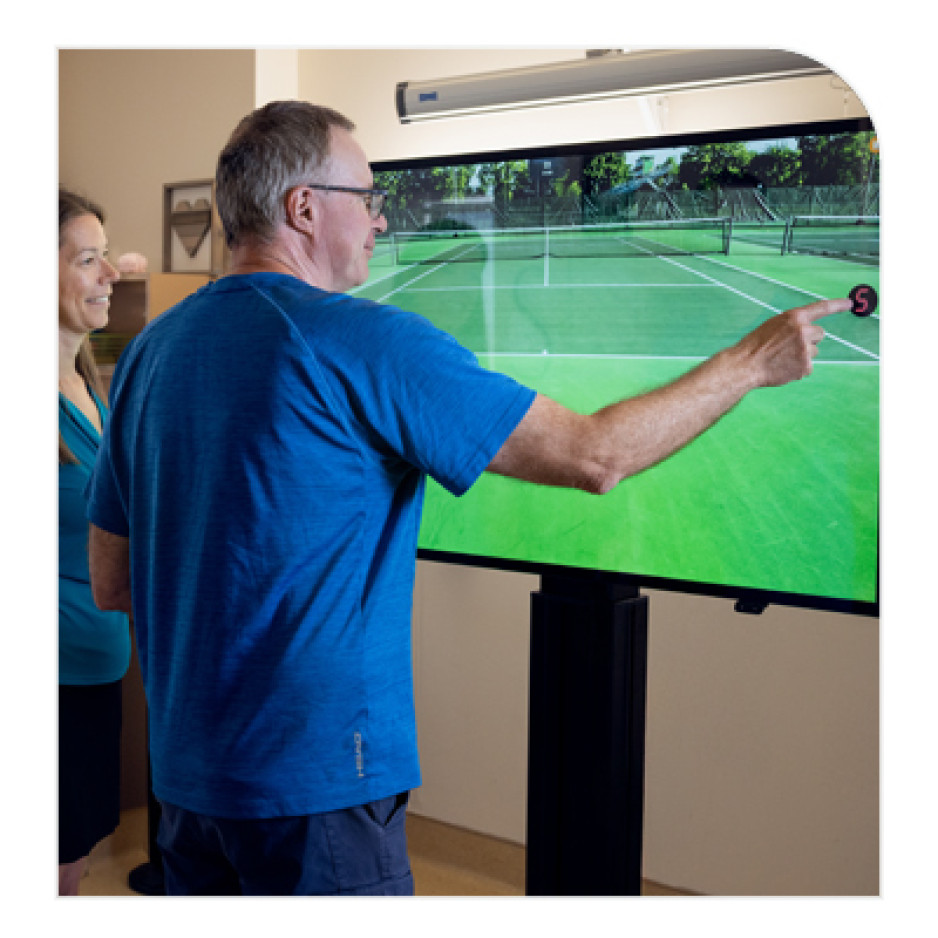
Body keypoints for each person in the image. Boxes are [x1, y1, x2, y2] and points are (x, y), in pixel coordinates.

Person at [86, 101, 850, 896]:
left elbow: (113, 579)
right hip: (318, 792)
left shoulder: (150, 354)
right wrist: (752, 363)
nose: (381, 222)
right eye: (368, 198)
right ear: (303, 207)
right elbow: (597, 455)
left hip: (187, 783)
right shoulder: (366, 341)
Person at [58, 188, 131, 895]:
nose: (109, 275)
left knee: (72, 861)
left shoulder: (88, 382)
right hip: (48, 677)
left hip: (95, 667)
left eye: (107, 258)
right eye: (89, 260)